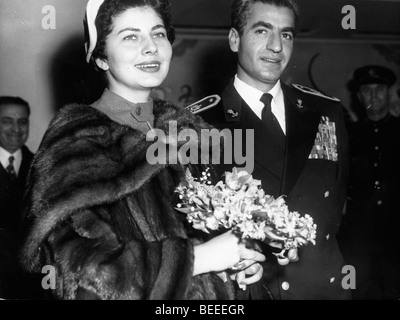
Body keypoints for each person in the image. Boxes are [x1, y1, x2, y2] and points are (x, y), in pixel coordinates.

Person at [19, 0, 265, 300]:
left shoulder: (193, 134)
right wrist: (200, 259)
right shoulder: (75, 144)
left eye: (159, 34)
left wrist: (238, 261)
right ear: (101, 59)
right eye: (131, 36)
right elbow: (76, 274)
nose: (151, 48)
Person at [199, 0, 350, 300]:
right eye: (262, 31)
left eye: (286, 34)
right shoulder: (198, 124)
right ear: (234, 39)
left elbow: (340, 207)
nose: (276, 46)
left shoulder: (326, 112)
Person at [338, 65, 400, 300]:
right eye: (367, 90)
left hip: (395, 236)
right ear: (358, 96)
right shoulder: (347, 133)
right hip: (357, 237)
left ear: (389, 93)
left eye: (379, 89)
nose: (373, 95)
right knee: (355, 291)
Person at [0, 96, 34, 298]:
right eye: (6, 121)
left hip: (28, 283)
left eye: (22, 121)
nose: (16, 129)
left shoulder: (41, 166)